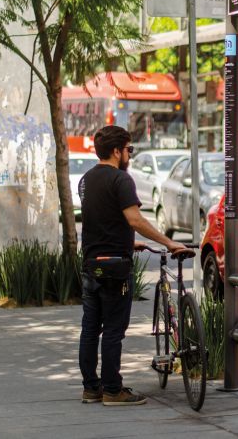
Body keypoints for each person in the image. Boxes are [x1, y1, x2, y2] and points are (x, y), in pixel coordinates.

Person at [78, 125, 186, 406]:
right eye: (129, 149)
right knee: (114, 329)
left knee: (90, 329)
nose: (130, 154)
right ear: (116, 151)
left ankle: (91, 387)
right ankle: (113, 390)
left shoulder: (86, 180)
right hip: (115, 268)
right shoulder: (121, 180)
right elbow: (135, 220)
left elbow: (102, 220)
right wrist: (170, 242)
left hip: (91, 263)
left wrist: (128, 243)